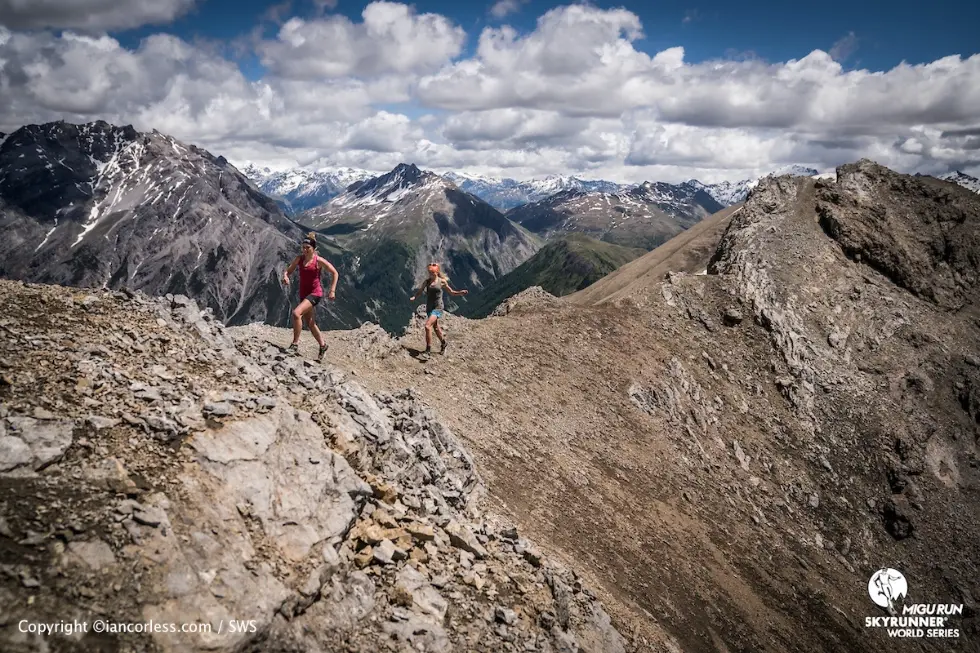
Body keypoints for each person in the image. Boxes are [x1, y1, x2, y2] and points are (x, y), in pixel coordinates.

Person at [282, 232, 338, 361]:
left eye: (308, 248)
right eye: (304, 247)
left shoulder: (318, 261)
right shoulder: (299, 259)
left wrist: (332, 290)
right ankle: (323, 345)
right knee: (311, 323)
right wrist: (285, 276)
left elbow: (335, 272)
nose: (305, 250)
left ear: (313, 249)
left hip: (315, 293)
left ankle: (295, 344)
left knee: (296, 314)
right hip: (304, 294)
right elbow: (288, 271)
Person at [409, 262, 468, 357]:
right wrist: (414, 297)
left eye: (432, 272)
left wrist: (460, 292)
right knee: (435, 328)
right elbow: (420, 291)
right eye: (429, 272)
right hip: (429, 307)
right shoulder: (427, 282)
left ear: (437, 272)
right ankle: (444, 343)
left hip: (438, 307)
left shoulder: (442, 282)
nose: (430, 274)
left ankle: (428, 350)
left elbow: (451, 292)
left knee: (427, 326)